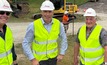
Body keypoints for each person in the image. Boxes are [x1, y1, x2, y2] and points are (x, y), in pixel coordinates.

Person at [22, 0, 68, 65]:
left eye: (49, 12)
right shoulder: (33, 25)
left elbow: (64, 38)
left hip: (53, 60)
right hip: (39, 61)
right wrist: (32, 59)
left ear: (53, 12)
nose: (47, 14)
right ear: (41, 12)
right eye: (45, 11)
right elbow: (25, 43)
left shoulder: (58, 24)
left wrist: (62, 53)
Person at [0, 0, 18, 65]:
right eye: (1, 12)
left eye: (7, 13)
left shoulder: (8, 30)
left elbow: (11, 47)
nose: (5, 15)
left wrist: (14, 60)